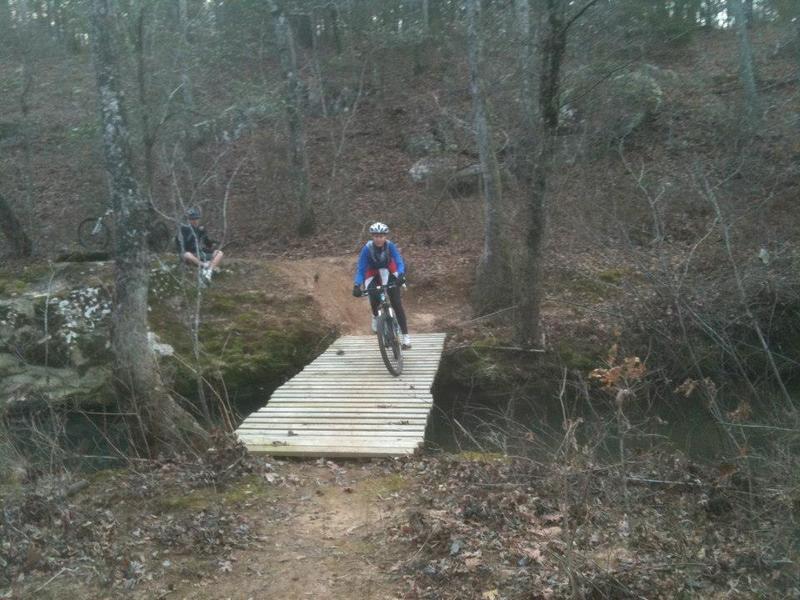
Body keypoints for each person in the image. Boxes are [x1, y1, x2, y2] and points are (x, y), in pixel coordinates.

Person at [352, 221, 411, 349]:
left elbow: (399, 261)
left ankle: (406, 337)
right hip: (373, 274)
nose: (379, 239)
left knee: (396, 303)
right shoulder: (367, 249)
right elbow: (361, 269)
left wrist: (401, 274)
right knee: (373, 296)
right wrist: (357, 285)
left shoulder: (390, 246)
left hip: (389, 272)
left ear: (385, 237)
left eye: (381, 236)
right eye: (376, 236)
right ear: (372, 237)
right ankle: (375, 315)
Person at [177, 207, 224, 285]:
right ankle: (204, 265)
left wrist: (213, 243)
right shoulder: (183, 230)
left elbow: (207, 243)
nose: (195, 221)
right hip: (190, 254)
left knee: (219, 253)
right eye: (192, 219)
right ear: (188, 220)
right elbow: (180, 247)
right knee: (186, 254)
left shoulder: (200, 229)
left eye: (196, 219)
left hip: (200, 252)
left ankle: (208, 272)